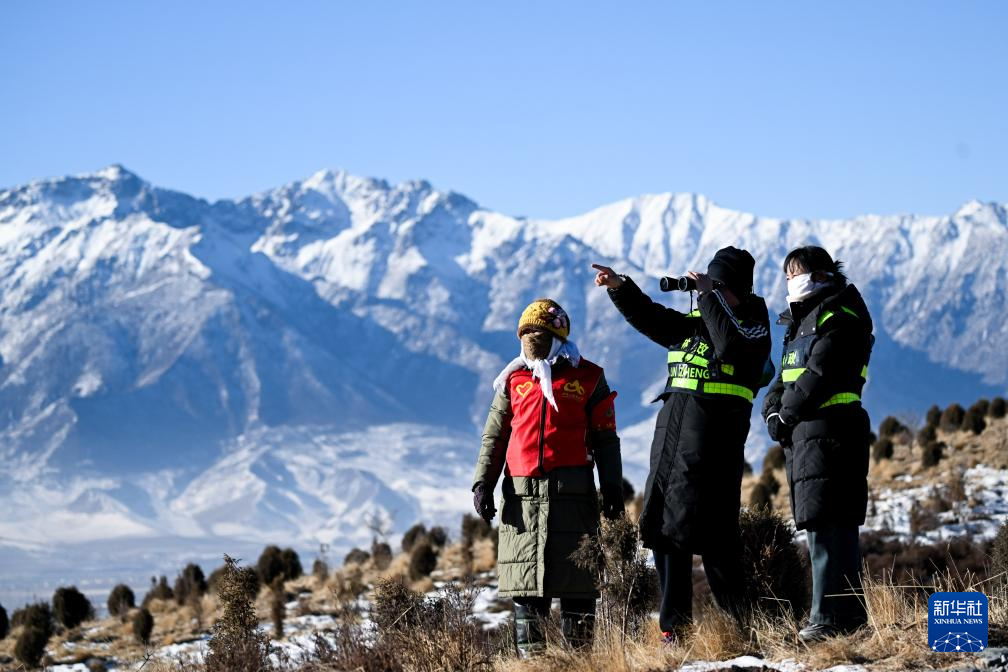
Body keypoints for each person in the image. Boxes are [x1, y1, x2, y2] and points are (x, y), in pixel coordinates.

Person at [593, 247, 772, 643]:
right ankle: (674, 629)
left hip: (715, 445)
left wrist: (709, 295)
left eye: (720, 285)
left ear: (738, 289)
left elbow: (730, 346)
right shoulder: (697, 323)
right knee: (663, 531)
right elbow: (651, 319)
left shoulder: (754, 324)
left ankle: (741, 629)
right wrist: (620, 287)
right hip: (671, 443)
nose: (710, 291)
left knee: (717, 539)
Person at [471, 298, 624, 657]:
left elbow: (605, 437)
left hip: (572, 498)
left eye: (539, 334)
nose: (532, 342)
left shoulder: (588, 377)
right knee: (528, 591)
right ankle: (532, 664)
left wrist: (613, 486)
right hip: (522, 501)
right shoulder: (513, 380)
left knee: (577, 589)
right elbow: (495, 435)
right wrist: (483, 483)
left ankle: (578, 662)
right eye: (527, 335)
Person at [761, 245, 873, 642]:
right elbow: (785, 377)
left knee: (830, 527)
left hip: (833, 431)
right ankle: (848, 618)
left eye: (799, 272)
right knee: (821, 525)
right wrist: (771, 410)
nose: (792, 281)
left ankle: (826, 619)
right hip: (808, 437)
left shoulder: (840, 315)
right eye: (787, 274)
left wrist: (786, 413)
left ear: (824, 275)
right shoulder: (802, 322)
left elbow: (819, 372)